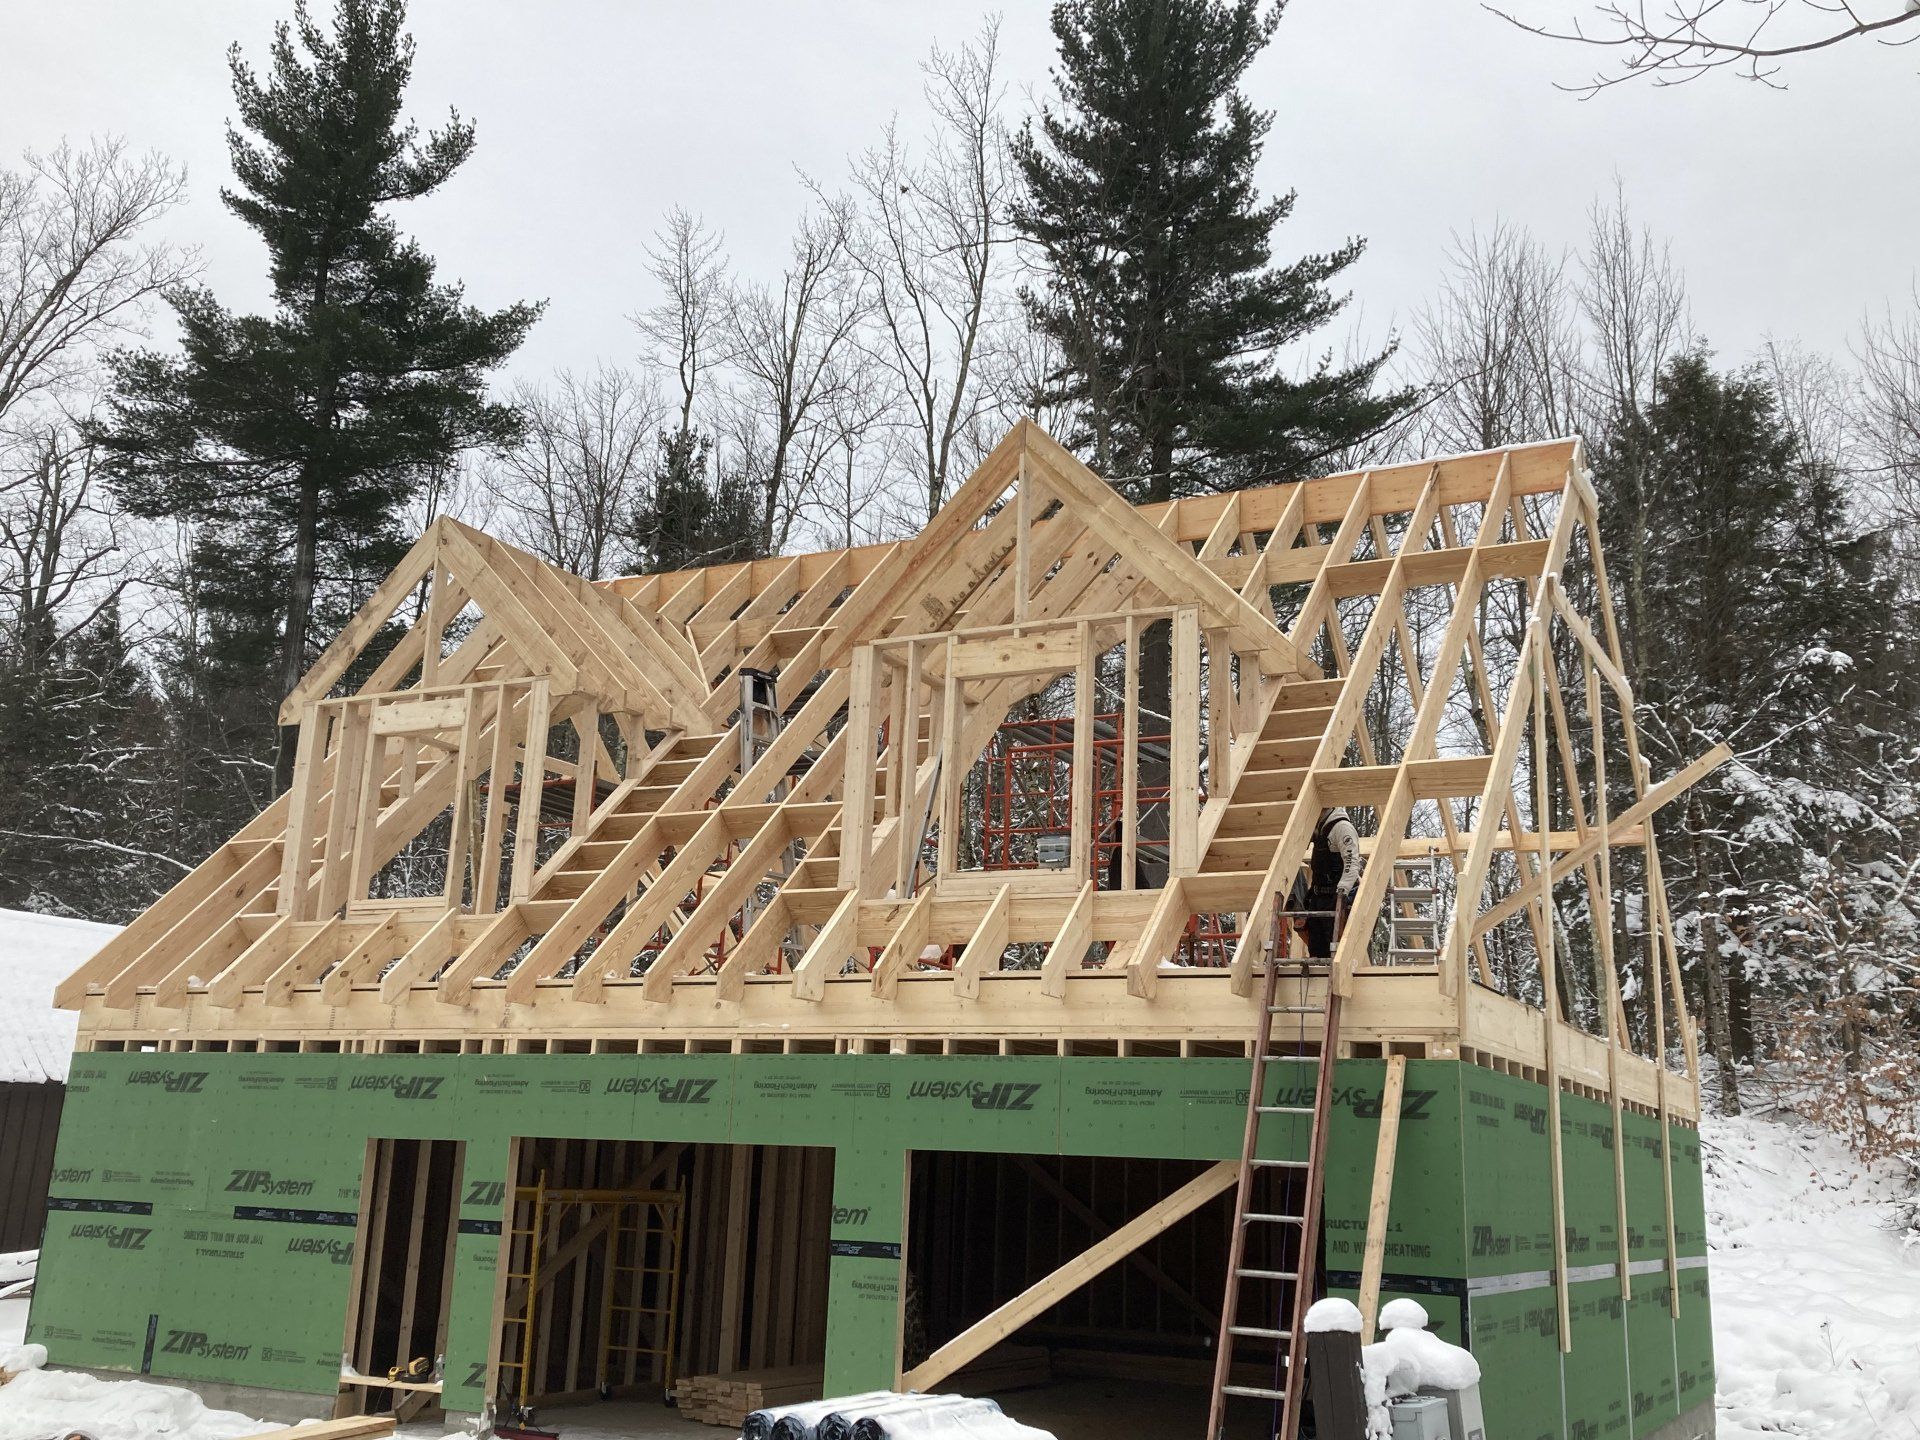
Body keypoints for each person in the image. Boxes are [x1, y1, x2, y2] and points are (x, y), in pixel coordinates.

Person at [1292, 806, 1360, 958]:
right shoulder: (1319, 827)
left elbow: (1352, 863)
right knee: (1316, 948)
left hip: (1335, 897)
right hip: (1318, 898)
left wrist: (1341, 893)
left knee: (1337, 950)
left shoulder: (1341, 828)